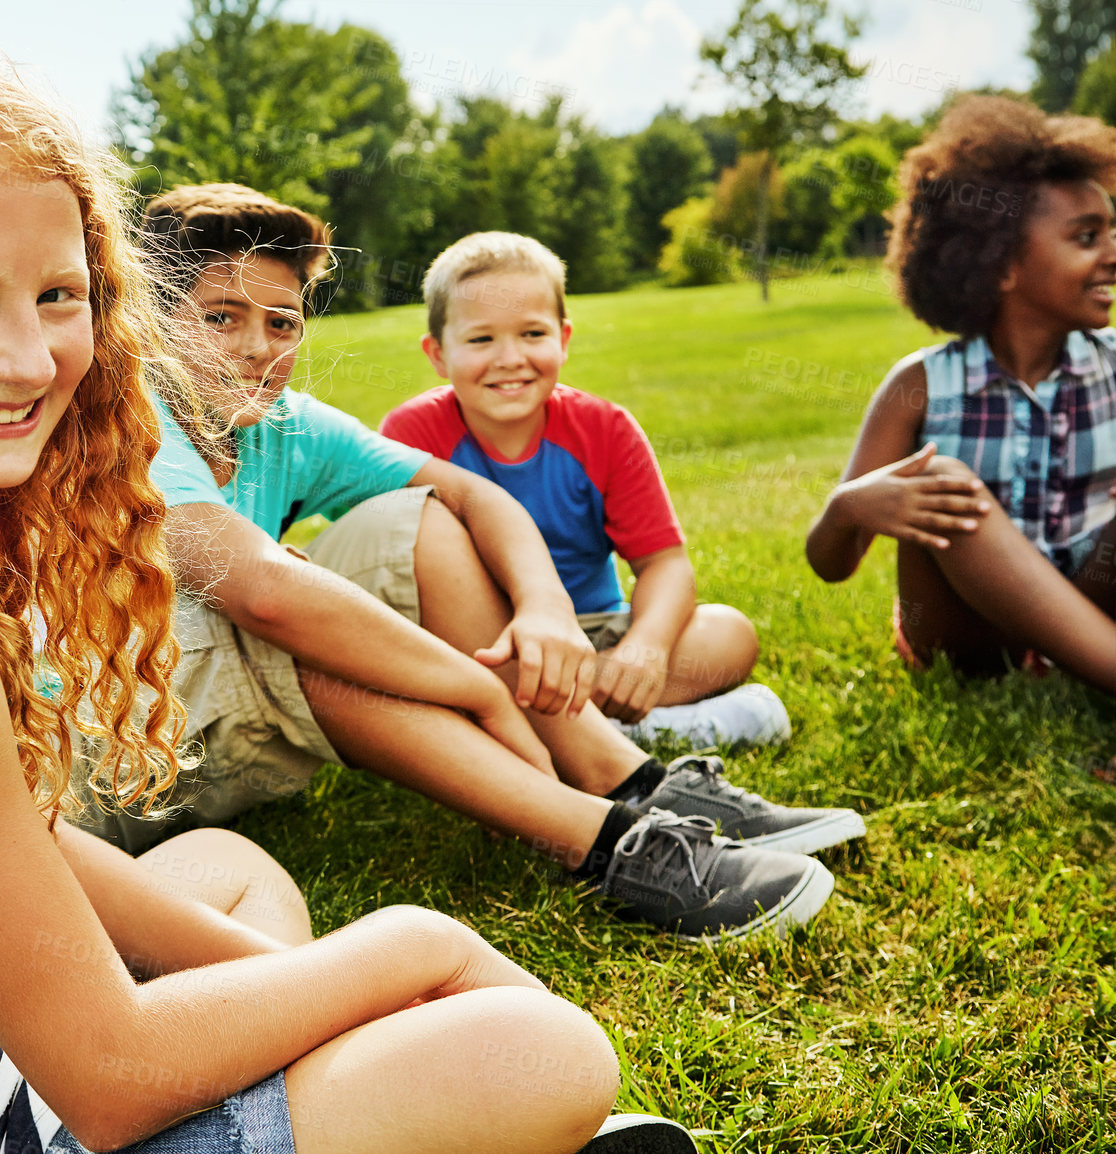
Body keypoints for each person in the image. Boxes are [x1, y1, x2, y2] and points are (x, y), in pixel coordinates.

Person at [0, 41, 701, 1154]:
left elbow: (29, 844)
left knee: (230, 873)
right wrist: (411, 954)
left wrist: (325, 993)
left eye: (59, 294)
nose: (27, 358)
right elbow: (110, 1079)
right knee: (538, 1053)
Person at [71, 182, 863, 944]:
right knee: (300, 617)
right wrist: (479, 689)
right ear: (150, 320)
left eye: (283, 322)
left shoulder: (287, 423)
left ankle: (617, 772)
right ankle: (604, 841)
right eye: (220, 317)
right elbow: (268, 596)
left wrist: (546, 609)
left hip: (204, 715)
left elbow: (478, 499)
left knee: (416, 516)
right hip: (100, 764)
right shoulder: (130, 425)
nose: (257, 348)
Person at [380, 231, 790, 750]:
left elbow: (665, 563)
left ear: (564, 339)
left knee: (726, 634)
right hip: (475, 646)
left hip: (591, 636)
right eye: (481, 340)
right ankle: (624, 734)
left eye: (532, 334)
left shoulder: (605, 430)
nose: (510, 358)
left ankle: (568, 727)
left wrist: (645, 648)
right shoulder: (410, 434)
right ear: (438, 354)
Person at [805, 95, 1116, 708]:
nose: (1112, 253)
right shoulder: (919, 385)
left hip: (1089, 597)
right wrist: (850, 509)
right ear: (999, 265)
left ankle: (1086, 659)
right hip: (963, 635)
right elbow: (829, 562)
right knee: (944, 481)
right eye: (1086, 238)